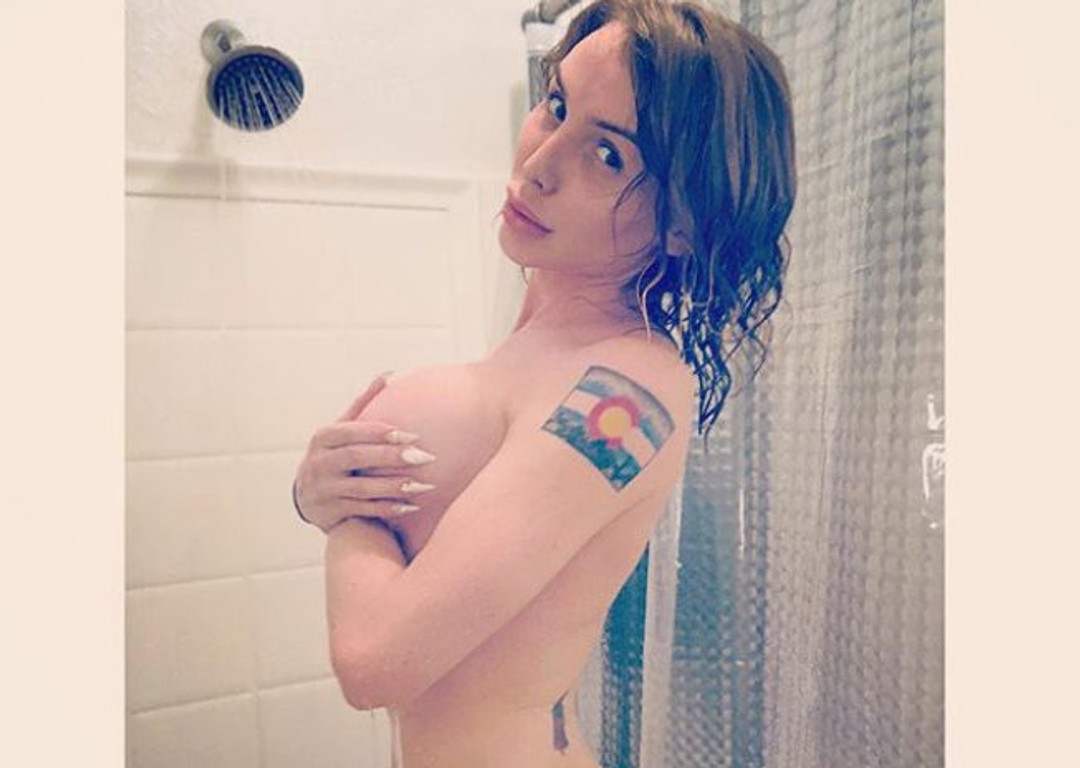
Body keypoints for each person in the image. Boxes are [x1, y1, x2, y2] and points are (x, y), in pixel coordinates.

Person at [292, 1, 795, 766]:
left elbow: (374, 661)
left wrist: (345, 513)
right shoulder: (541, 345)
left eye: (607, 155)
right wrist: (319, 489)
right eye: (557, 106)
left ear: (683, 224)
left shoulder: (629, 393)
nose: (538, 163)